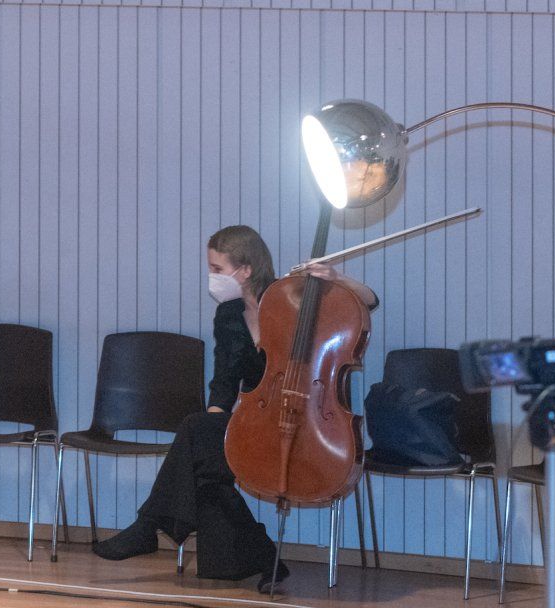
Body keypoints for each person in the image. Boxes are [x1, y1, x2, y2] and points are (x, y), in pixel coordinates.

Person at [93, 225, 377, 588]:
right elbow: (225, 379)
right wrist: (213, 432)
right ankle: (263, 560)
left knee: (201, 455)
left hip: (310, 424)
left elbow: (369, 300)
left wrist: (335, 278)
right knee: (203, 452)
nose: (212, 276)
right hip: (257, 421)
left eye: (217, 269)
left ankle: (151, 527)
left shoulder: (294, 298)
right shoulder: (228, 314)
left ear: (244, 270)